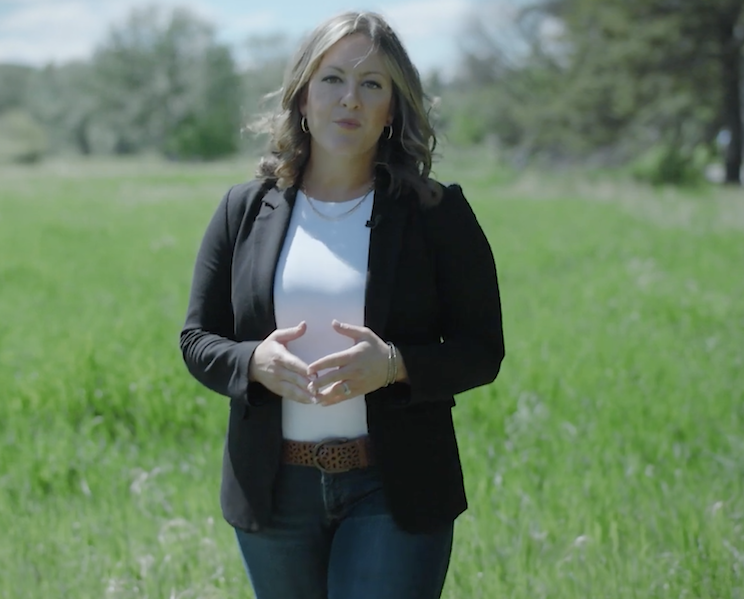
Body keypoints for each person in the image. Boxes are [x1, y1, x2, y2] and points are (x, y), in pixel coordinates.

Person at [179, 10, 504, 599]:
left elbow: (482, 350)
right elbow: (198, 339)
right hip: (274, 491)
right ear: (302, 97)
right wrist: (252, 362)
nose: (349, 99)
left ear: (392, 110)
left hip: (394, 486)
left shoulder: (437, 213)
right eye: (332, 79)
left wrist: (394, 367)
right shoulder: (244, 209)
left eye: (371, 84)